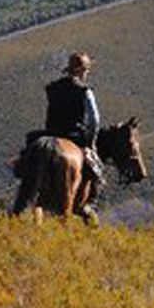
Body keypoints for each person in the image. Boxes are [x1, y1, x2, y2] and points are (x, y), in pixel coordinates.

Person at [43, 51, 104, 208]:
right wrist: (90, 144)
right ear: (81, 71)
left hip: (50, 135)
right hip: (73, 136)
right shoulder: (85, 91)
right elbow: (94, 120)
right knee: (96, 170)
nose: (87, 74)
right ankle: (89, 204)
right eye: (86, 71)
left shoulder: (52, 88)